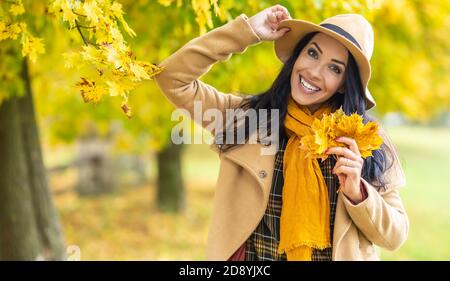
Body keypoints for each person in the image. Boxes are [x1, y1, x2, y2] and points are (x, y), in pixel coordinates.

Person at [154, 4, 408, 261]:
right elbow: (172, 78)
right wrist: (246, 32)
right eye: (312, 53)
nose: (314, 72)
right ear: (297, 56)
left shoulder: (364, 141)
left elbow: (395, 235)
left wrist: (359, 193)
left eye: (335, 68)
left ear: (344, 84)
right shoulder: (246, 119)